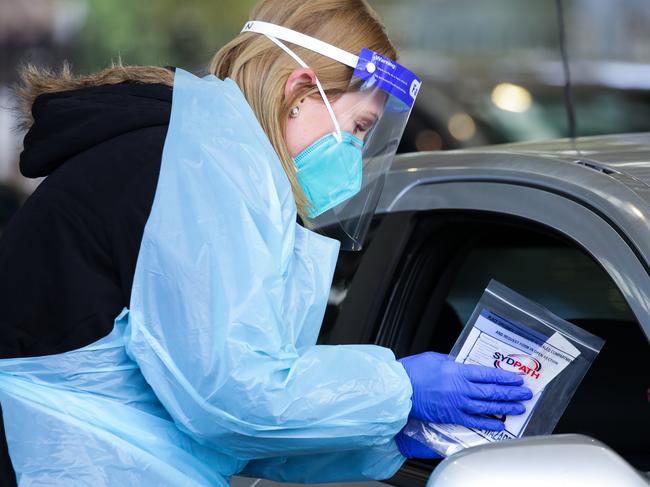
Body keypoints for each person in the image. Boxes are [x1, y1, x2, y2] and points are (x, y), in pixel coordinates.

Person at [0, 0, 532, 485]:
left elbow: (227, 423)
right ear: (299, 91)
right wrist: (400, 388)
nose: (357, 154)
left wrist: (386, 438)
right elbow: (230, 396)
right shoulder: (206, 165)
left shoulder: (202, 150)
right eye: (360, 128)